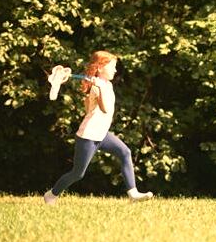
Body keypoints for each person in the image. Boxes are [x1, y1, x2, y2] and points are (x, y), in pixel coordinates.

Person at [44, 50, 153, 204]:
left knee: (125, 152)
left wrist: (100, 87)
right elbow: (104, 109)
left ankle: (133, 194)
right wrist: (98, 90)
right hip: (88, 136)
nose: (115, 70)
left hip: (102, 134)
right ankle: (51, 195)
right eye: (112, 66)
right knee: (77, 173)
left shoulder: (106, 84)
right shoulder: (97, 86)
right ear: (100, 68)